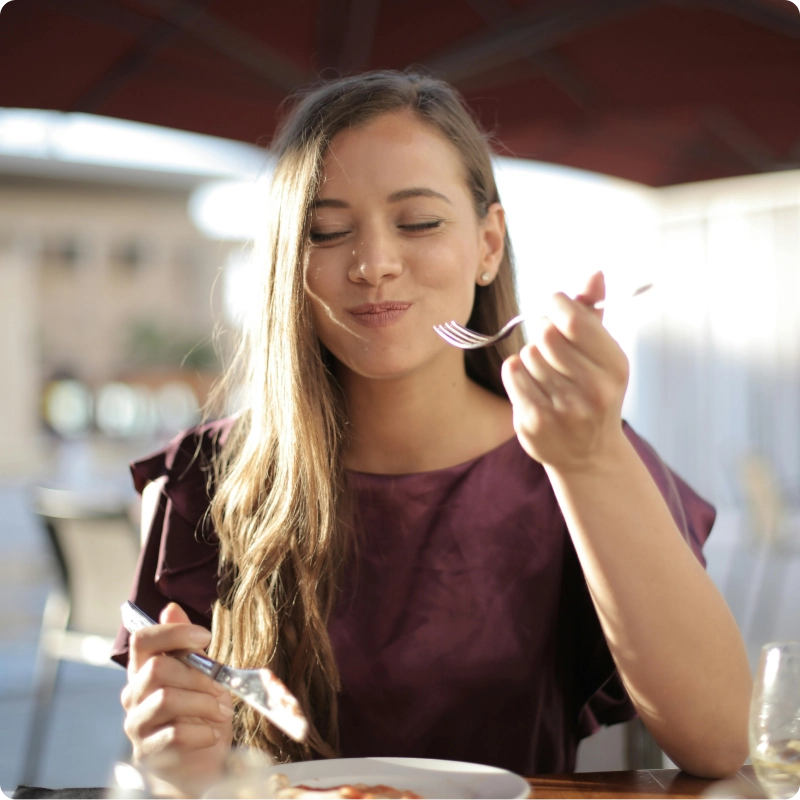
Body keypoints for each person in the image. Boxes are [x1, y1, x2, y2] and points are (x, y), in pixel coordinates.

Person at [112, 70, 751, 797]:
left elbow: (720, 739)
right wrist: (172, 756)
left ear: (488, 244)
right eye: (326, 231)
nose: (374, 264)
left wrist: (591, 459)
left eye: (418, 222)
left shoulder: (579, 454)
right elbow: (184, 767)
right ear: (291, 262)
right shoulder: (205, 479)